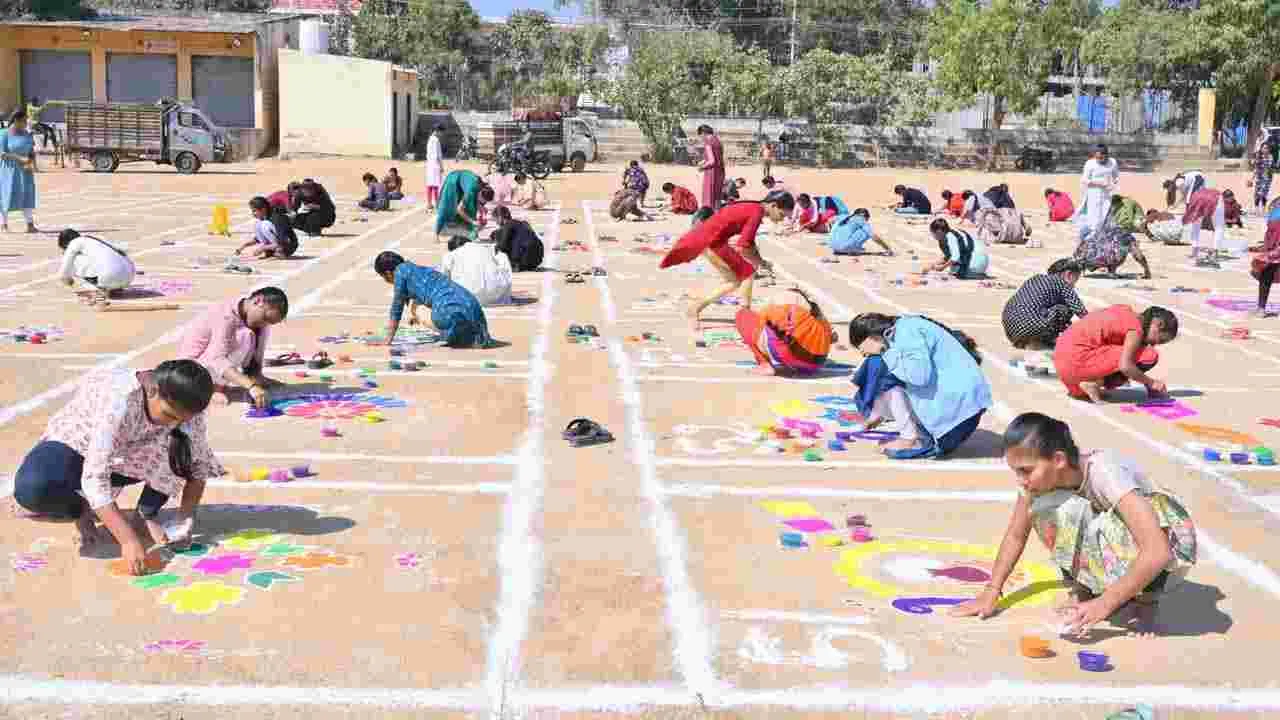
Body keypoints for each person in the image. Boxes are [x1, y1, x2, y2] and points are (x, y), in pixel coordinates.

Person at [949, 412, 1196, 638]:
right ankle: (1085, 588)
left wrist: (1105, 604)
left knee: (1074, 512)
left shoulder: (1106, 474)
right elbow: (1016, 535)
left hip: (1171, 546)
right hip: (1116, 542)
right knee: (1049, 508)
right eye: (1016, 472)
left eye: (1026, 471)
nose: (1021, 480)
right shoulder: (1038, 484)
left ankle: (1146, 600)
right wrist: (992, 591)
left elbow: (1157, 551)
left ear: (1058, 460)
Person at [11, 360, 222, 573]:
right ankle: (82, 509)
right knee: (33, 488)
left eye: (181, 419)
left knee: (182, 444)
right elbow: (95, 476)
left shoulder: (186, 406)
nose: (173, 423)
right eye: (169, 415)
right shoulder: (120, 400)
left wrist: (184, 519)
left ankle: (145, 513)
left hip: (127, 453)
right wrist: (128, 540)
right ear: (152, 390)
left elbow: (197, 465)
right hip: (75, 446)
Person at [847, 312, 992, 459]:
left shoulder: (907, 332)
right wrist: (877, 413)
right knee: (880, 365)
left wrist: (885, 352)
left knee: (877, 364)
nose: (861, 352)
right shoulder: (903, 327)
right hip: (961, 415)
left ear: (870, 337)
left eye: (860, 347)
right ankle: (889, 420)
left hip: (953, 424)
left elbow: (919, 376)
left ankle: (909, 438)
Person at [660, 190, 794, 333]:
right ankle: (746, 315)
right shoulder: (757, 212)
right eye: (781, 215)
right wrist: (761, 262)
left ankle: (696, 308)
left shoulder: (754, 206)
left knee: (733, 281)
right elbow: (744, 245)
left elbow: (749, 243)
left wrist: (760, 261)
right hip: (712, 241)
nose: (781, 219)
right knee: (748, 273)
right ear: (773, 205)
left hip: (710, 240)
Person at [177, 287, 289, 408]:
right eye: (265, 318)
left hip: (207, 364)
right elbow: (217, 359)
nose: (265, 324)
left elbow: (257, 348)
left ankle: (255, 376)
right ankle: (212, 387)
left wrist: (255, 377)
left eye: (270, 322)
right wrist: (251, 386)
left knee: (257, 332)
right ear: (257, 301)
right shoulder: (227, 315)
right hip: (190, 372)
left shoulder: (256, 321)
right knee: (245, 336)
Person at [1053, 305, 1177, 403]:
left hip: (1063, 368)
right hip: (1076, 361)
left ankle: (1090, 383)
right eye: (1159, 340)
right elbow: (1125, 366)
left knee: (1133, 352)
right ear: (1158, 325)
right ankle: (1095, 383)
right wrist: (1151, 383)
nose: (1154, 344)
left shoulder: (1123, 310)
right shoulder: (1135, 330)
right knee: (1150, 355)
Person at [374, 251, 492, 349]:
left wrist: (388, 339)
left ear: (388, 273)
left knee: (415, 307)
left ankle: (456, 335)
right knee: (420, 304)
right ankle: (469, 334)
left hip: (450, 312)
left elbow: (396, 308)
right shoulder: (419, 269)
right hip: (473, 307)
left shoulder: (399, 274)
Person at [735, 288, 833, 376]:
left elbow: (759, 324)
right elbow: (833, 338)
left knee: (743, 315)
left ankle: (764, 364)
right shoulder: (821, 320)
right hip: (814, 365)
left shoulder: (780, 308)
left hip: (788, 356)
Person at [1001, 258, 1087, 359]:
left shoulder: (1035, 278)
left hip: (1011, 328)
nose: (1074, 286)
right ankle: (1039, 342)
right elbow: (1081, 311)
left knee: (1044, 310)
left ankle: (1027, 342)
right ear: (1068, 275)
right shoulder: (1062, 284)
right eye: (1075, 280)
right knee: (1064, 309)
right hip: (1030, 325)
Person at [1074, 197, 1153, 279]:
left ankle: (1086, 268)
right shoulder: (1127, 236)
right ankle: (1111, 270)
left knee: (1109, 245)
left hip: (1085, 261)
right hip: (1103, 259)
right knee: (1123, 247)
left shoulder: (1102, 227)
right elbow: (1138, 255)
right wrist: (1147, 270)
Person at [57, 229, 136, 304]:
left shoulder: (74, 243)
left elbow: (63, 273)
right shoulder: (96, 239)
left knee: (74, 261)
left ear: (66, 244)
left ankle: (98, 291)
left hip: (111, 278)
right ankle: (115, 288)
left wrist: (69, 282)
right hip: (130, 276)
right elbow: (123, 250)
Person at [442, 235, 513, 305]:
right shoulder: (486, 248)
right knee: (502, 256)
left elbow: (444, 279)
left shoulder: (451, 255)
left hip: (466, 297)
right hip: (496, 297)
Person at [1, 109, 38, 233]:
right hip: (9, 170)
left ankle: (30, 224)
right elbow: (2, 153)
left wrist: (30, 161)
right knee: (6, 195)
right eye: (24, 121)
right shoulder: (4, 134)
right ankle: (4, 224)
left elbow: (31, 152)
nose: (26, 123)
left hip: (25, 170)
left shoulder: (27, 134)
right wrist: (19, 158)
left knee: (27, 195)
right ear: (16, 121)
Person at [435, 169, 493, 243]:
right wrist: (472, 221)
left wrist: (482, 210)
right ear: (480, 193)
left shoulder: (484, 188)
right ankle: (436, 234)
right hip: (453, 180)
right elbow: (459, 209)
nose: (482, 203)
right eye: (482, 201)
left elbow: (478, 202)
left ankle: (470, 233)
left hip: (463, 182)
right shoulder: (471, 191)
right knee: (446, 206)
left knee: (472, 207)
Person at [1075, 144, 1119, 237]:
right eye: (1097, 157)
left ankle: (1102, 234)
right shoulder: (1090, 164)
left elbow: (1116, 176)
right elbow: (1084, 180)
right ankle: (1091, 235)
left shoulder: (1113, 162)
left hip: (1107, 194)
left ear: (1107, 155)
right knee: (1094, 217)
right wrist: (1099, 183)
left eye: (1101, 157)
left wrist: (1113, 183)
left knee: (1104, 214)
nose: (1099, 159)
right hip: (1093, 193)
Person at [491, 205, 544, 272]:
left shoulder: (507, 226)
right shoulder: (523, 223)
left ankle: (519, 265)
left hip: (527, 257)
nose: (496, 223)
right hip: (538, 257)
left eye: (496, 220)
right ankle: (523, 265)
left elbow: (502, 247)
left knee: (501, 249)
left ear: (500, 217)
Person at [1251, 197, 1280, 318]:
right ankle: (1261, 308)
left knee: (1265, 278)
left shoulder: (1275, 217)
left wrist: (1274, 250)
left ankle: (1261, 308)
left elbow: (1273, 234)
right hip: (1274, 250)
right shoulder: (1274, 216)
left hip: (1275, 251)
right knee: (1265, 277)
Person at [1182, 184, 1225, 262]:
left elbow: (1190, 217)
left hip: (1197, 198)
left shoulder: (1194, 194)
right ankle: (1215, 252)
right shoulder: (1218, 195)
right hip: (1214, 198)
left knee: (1195, 226)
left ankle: (1194, 251)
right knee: (1219, 227)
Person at [829, 208, 894, 256]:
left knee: (841, 229)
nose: (866, 221)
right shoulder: (861, 219)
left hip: (833, 247)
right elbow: (874, 237)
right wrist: (887, 248)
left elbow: (830, 221)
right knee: (866, 231)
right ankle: (851, 248)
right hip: (843, 248)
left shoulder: (843, 216)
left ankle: (848, 246)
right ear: (864, 215)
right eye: (867, 219)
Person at [1248, 134, 1279, 214]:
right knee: (1257, 193)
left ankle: (1264, 208)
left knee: (1264, 193)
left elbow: (1271, 167)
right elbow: (1256, 168)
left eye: (1267, 148)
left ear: (1269, 149)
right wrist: (1252, 178)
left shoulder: (1270, 157)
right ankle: (1257, 208)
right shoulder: (1258, 157)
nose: (1265, 149)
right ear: (1261, 148)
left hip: (1267, 178)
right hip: (1260, 177)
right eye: (1264, 148)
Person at [698, 125, 726, 209]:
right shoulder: (718, 141)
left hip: (711, 172)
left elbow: (712, 161)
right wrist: (704, 161)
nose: (701, 138)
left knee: (709, 196)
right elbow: (718, 157)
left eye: (701, 136)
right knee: (717, 196)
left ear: (703, 133)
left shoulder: (708, 142)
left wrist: (702, 167)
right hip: (720, 170)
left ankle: (709, 216)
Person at [425, 124, 445, 210]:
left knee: (430, 184)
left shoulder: (430, 139)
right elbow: (438, 155)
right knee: (436, 185)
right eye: (441, 132)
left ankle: (429, 203)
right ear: (437, 131)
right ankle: (437, 203)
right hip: (435, 164)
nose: (442, 134)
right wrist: (441, 166)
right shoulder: (436, 140)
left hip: (429, 164)